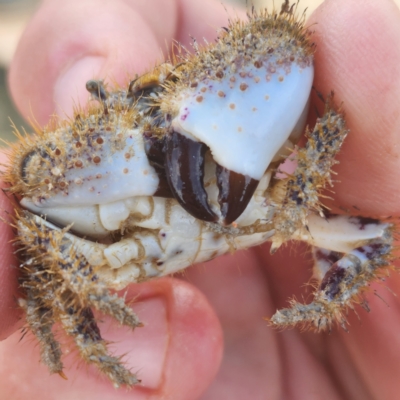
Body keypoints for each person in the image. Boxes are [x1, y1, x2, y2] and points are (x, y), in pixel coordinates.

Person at [1, 0, 400, 398]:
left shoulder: (283, 194)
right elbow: (35, 215)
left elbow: (370, 231)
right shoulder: (78, 221)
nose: (166, 133)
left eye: (180, 111)